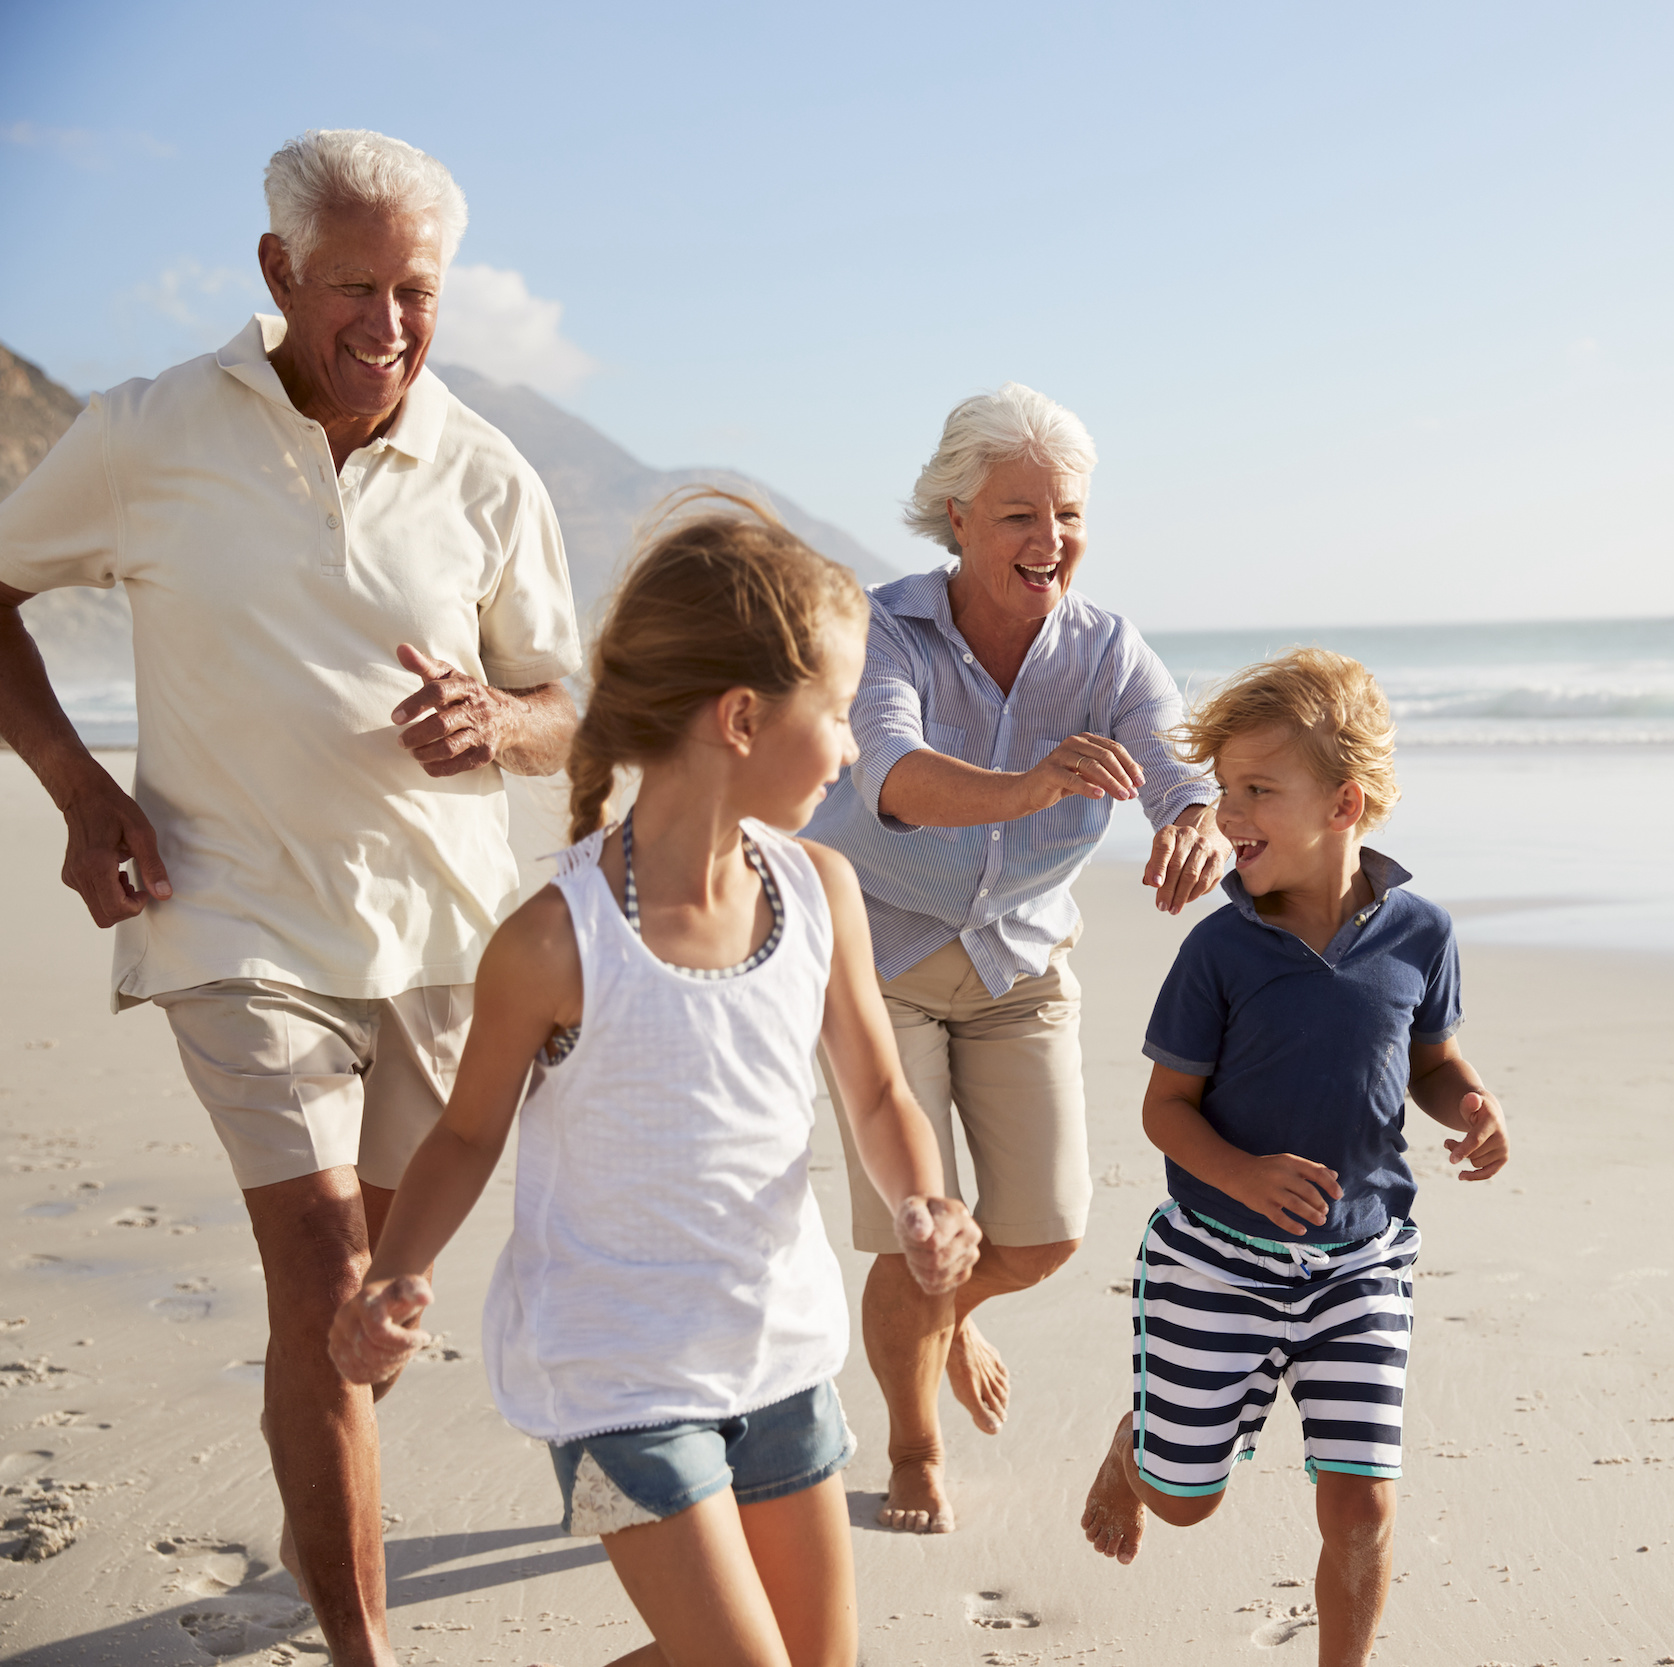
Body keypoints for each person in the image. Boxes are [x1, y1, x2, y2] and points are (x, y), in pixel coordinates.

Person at [0, 130, 578, 1666]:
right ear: (275, 273)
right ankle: (361, 1647)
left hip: (445, 940)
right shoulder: (147, 432)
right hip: (232, 917)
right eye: (357, 289)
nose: (388, 326)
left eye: (417, 292)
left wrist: (502, 724)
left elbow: (570, 701)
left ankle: (316, 1446)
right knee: (327, 1284)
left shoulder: (487, 468)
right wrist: (78, 788)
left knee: (365, 1321)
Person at [329, 498, 981, 1667]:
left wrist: (922, 1199)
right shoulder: (553, 941)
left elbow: (878, 1094)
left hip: (778, 1349)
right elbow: (468, 1135)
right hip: (614, 1375)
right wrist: (394, 1272)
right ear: (740, 716)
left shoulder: (819, 890)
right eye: (834, 713)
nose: (848, 747)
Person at [803, 383, 1226, 1533]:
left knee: (1040, 1233)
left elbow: (1178, 763)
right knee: (923, 1227)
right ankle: (912, 1447)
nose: (1050, 542)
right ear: (954, 515)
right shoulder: (883, 626)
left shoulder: (1106, 651)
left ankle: (950, 1308)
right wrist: (1033, 782)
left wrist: (1195, 819)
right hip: (878, 959)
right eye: (1017, 516)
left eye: (1069, 515)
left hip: (1019, 966)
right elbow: (887, 770)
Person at [1077, 648, 1512, 1667]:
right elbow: (1165, 1108)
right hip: (1213, 1255)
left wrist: (1472, 1103)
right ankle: (1136, 1443)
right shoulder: (1218, 951)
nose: (1228, 813)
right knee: (1185, 1500)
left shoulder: (1420, 933)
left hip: (1363, 1261)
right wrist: (1242, 1173)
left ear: (1343, 801)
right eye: (1224, 789)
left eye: (1257, 790)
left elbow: (1433, 1060)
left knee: (1359, 1501)